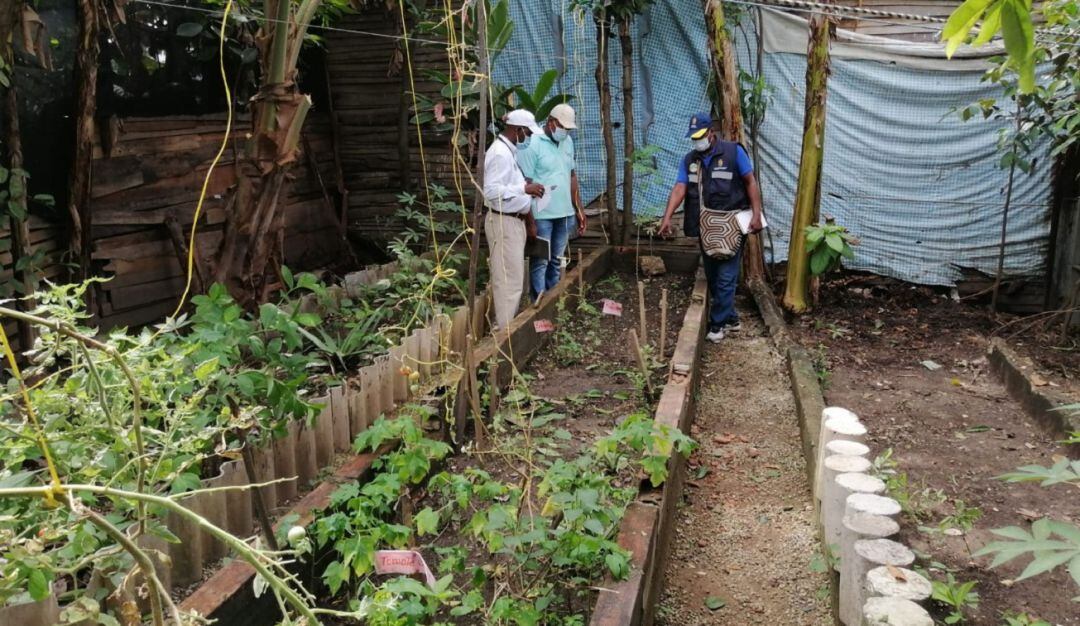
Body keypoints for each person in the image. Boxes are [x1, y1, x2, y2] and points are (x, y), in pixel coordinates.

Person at [658, 112, 764, 344]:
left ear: (711, 133)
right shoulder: (689, 160)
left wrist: (756, 214)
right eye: (693, 137)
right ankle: (731, 318)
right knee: (713, 274)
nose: (697, 141)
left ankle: (717, 326)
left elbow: (750, 182)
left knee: (726, 275)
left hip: (732, 224)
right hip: (705, 226)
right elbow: (679, 187)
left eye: (700, 135)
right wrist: (666, 217)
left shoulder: (733, 152)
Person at [517, 103, 587, 304]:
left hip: (564, 213)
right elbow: (525, 183)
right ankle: (537, 303)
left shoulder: (568, 143)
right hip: (541, 215)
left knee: (556, 260)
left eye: (568, 128)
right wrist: (529, 220)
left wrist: (579, 209)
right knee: (541, 260)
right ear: (550, 122)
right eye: (562, 126)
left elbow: (572, 176)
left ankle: (553, 301)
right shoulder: (532, 144)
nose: (565, 131)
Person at [484, 109, 545, 330]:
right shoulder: (499, 153)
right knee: (508, 281)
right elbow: (490, 191)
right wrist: (524, 187)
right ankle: (504, 336)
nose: (527, 137)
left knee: (512, 278)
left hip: (513, 221)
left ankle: (506, 328)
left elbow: (507, 185)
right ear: (517, 130)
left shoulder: (509, 152)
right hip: (504, 222)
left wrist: (529, 219)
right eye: (527, 133)